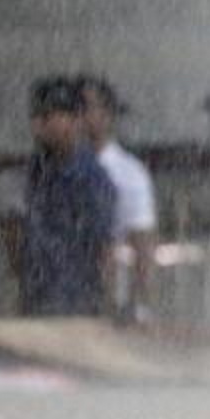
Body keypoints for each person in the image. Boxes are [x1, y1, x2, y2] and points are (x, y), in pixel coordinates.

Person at [19, 76, 117, 317]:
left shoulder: (90, 178)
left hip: (76, 299)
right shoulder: (38, 169)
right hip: (39, 296)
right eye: (36, 118)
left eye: (47, 117)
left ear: (74, 120)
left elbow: (104, 247)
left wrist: (106, 305)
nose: (38, 127)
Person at [81, 76, 158, 324]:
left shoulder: (129, 171)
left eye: (87, 107)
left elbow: (143, 245)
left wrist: (140, 304)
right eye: (75, 108)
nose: (81, 116)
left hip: (110, 298)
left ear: (107, 114)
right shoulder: (49, 169)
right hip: (61, 294)